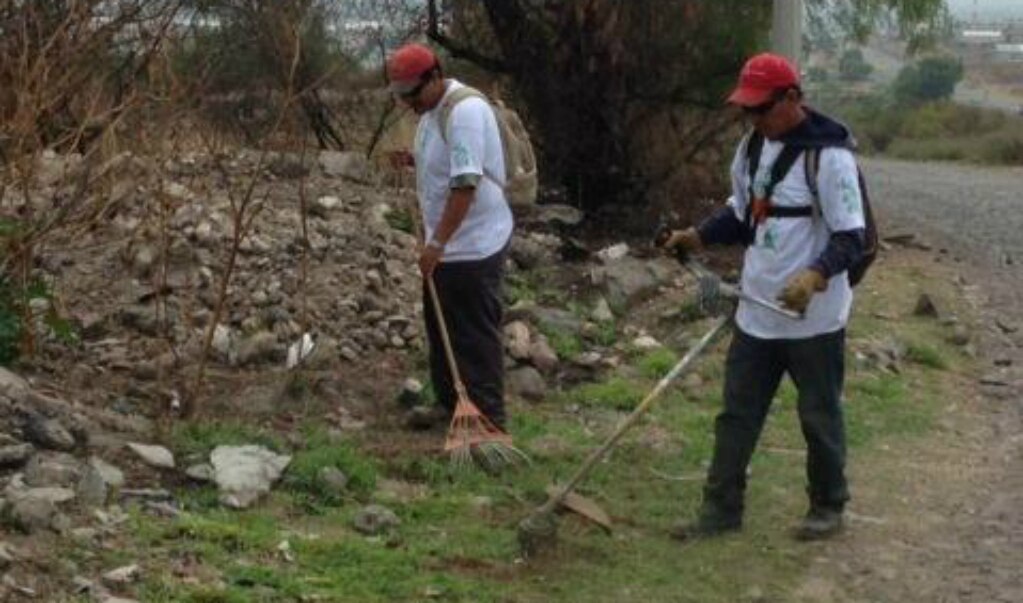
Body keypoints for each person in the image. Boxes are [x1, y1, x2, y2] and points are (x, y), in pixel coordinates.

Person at [662, 52, 866, 541]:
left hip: (812, 317)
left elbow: (850, 236)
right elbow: (743, 213)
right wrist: (699, 235)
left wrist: (815, 276)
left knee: (818, 414)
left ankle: (828, 506)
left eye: (761, 109)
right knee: (736, 415)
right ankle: (720, 510)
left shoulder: (830, 157)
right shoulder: (752, 148)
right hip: (756, 311)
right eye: (747, 110)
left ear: (792, 98)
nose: (753, 118)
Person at [387, 43, 513, 429]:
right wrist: (411, 161)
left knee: (473, 338)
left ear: (435, 76)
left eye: (412, 93)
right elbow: (445, 162)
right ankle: (449, 406)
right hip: (443, 247)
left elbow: (465, 184)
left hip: (471, 246)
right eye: (401, 95)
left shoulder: (466, 112)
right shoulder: (430, 111)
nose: (408, 102)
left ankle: (489, 422)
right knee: (441, 333)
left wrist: (438, 242)